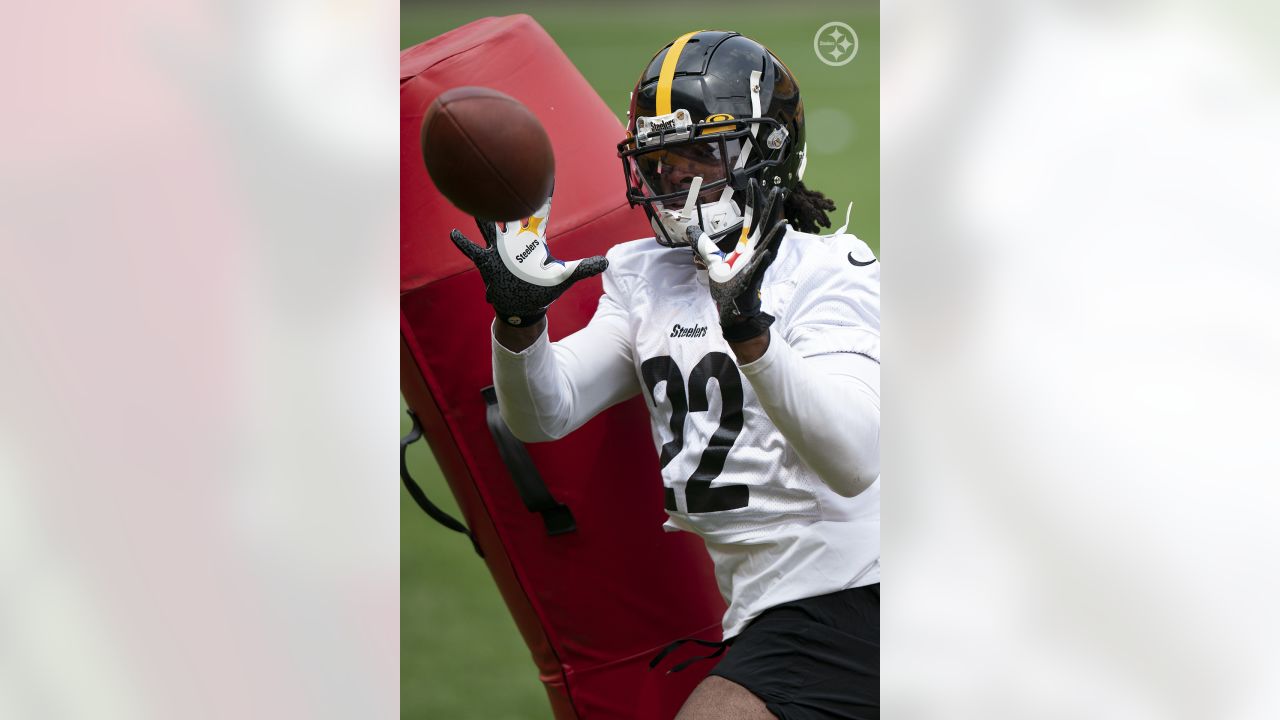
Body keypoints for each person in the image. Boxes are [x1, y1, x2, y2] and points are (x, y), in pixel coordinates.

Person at [450, 30, 880, 720]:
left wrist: (753, 336)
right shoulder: (643, 277)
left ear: (767, 151)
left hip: (857, 586)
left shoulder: (831, 271)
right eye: (660, 161)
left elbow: (855, 459)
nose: (675, 179)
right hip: (770, 601)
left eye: (699, 155)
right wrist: (519, 324)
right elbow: (543, 414)